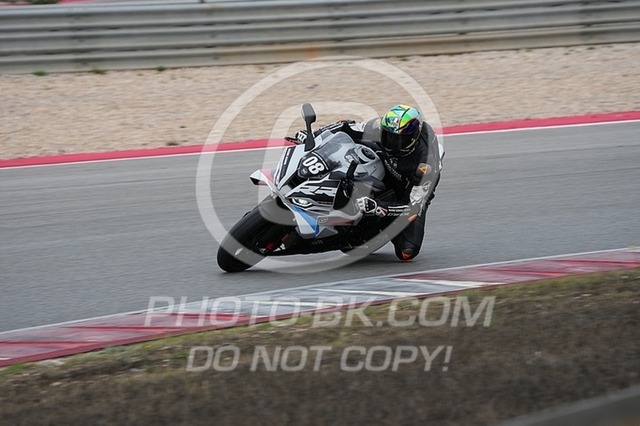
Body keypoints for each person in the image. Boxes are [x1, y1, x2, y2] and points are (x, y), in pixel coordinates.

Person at [290, 104, 444, 261]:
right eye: (388, 135)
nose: (390, 142)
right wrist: (314, 135)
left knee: (407, 251)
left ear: (413, 139)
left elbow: (413, 208)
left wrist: (380, 207)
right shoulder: (380, 127)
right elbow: (346, 126)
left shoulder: (425, 166)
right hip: (383, 159)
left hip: (409, 189)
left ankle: (377, 228)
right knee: (348, 146)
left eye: (397, 140)